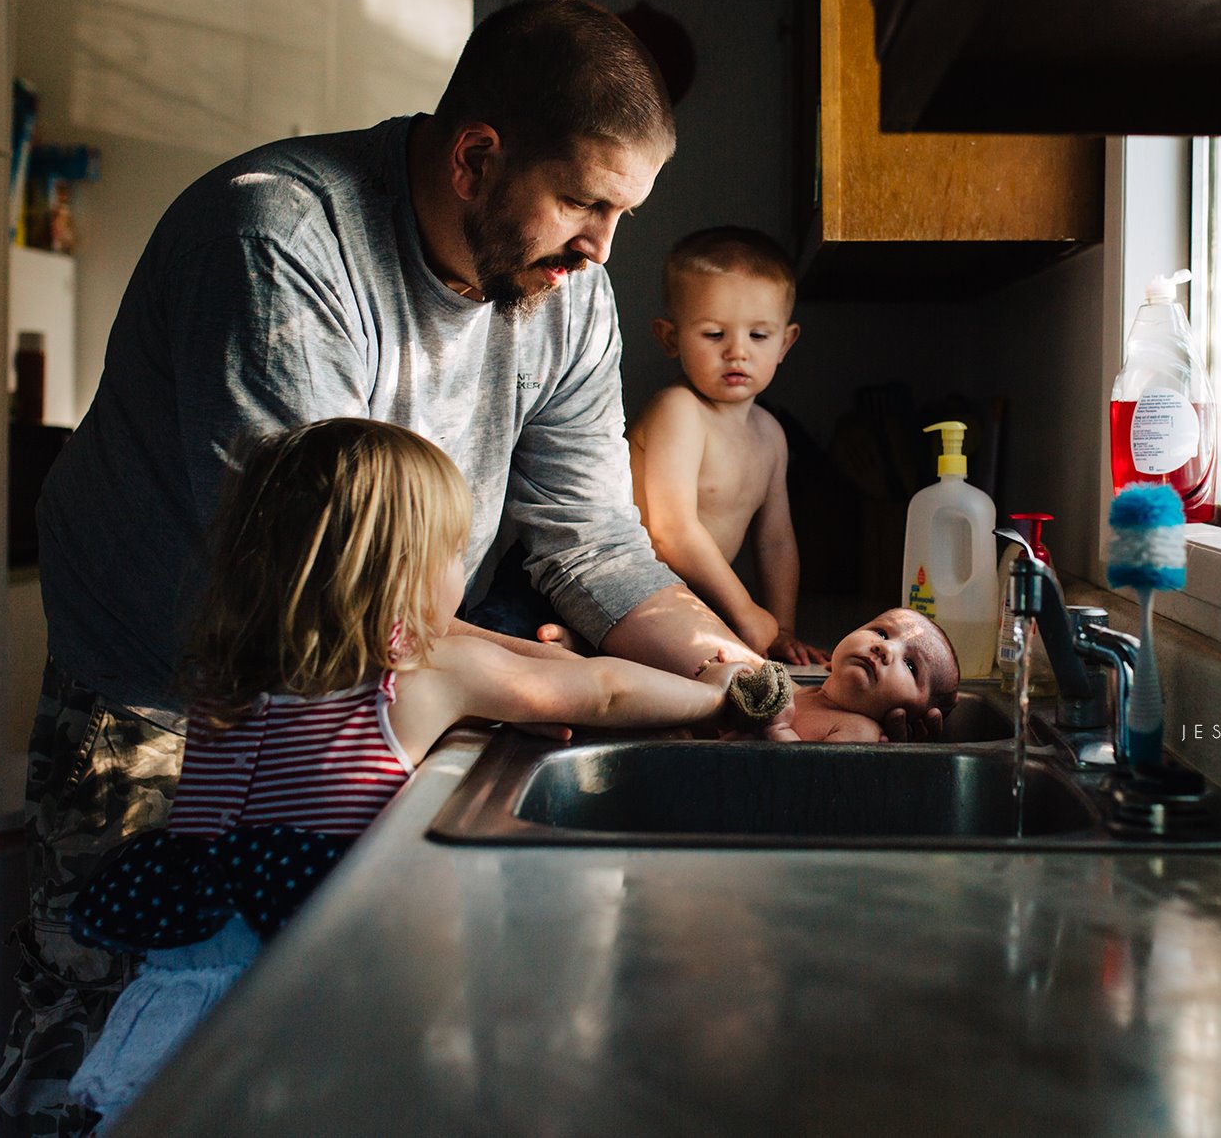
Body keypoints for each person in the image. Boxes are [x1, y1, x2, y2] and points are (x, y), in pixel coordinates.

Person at [0, 0, 774, 1137]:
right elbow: (317, 591)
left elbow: (589, 540)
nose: (603, 249)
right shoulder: (276, 240)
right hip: (159, 708)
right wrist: (568, 679)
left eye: (622, 212)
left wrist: (729, 664)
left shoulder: (571, 295)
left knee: (295, 1078)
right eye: (583, 202)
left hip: (354, 706)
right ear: (475, 157)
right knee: (106, 1070)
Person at [61, 419, 782, 1129]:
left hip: (185, 976)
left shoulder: (228, 677)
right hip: (310, 987)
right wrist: (721, 692)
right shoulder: (414, 675)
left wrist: (536, 673)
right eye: (451, 553)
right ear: (403, 572)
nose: (458, 575)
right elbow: (605, 692)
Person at [628, 226, 827, 665]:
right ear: (669, 337)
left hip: (693, 608)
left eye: (758, 336)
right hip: (632, 594)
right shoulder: (678, 411)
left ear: (784, 343)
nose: (737, 352)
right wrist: (745, 612)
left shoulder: (770, 433)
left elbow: (775, 541)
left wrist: (782, 626)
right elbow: (671, 532)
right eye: (714, 334)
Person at [767, 608, 961, 744]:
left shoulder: (859, 731)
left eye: (911, 666)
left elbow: (811, 777)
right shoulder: (806, 693)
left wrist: (778, 731)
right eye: (881, 633)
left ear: (916, 719)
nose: (885, 647)